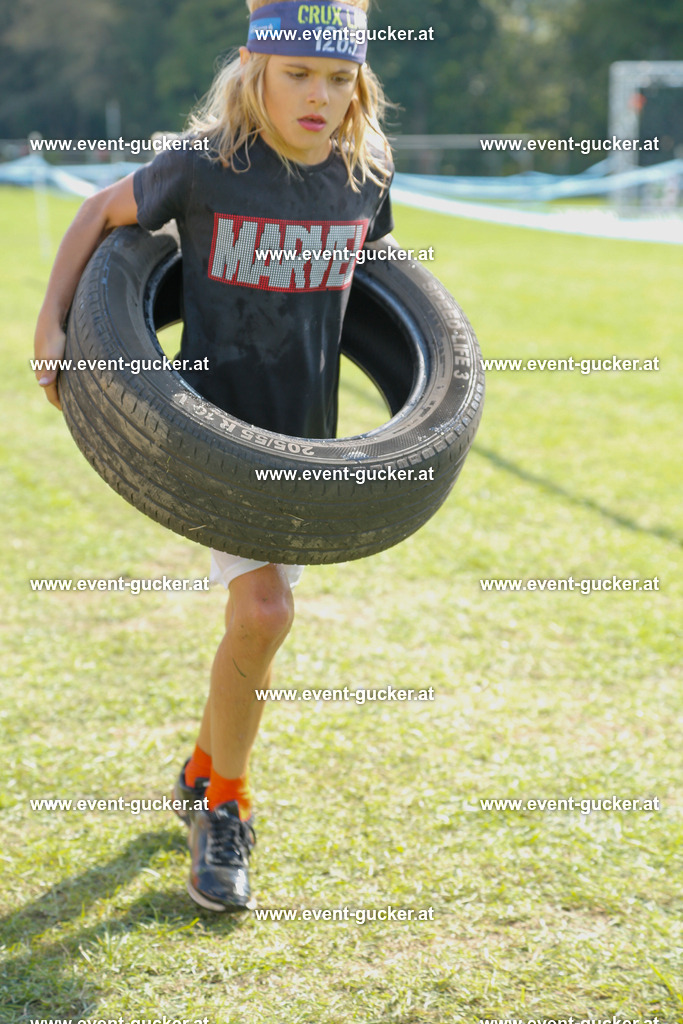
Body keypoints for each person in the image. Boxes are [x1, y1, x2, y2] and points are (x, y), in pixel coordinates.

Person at [33, 0, 395, 912]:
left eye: (338, 79)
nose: (319, 97)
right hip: (210, 432)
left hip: (301, 441)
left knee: (257, 632)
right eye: (298, 75)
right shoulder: (204, 169)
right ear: (254, 70)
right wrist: (51, 323)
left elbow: (386, 297)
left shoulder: (365, 174)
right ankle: (225, 809)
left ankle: (202, 768)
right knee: (265, 613)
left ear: (359, 85)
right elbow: (97, 212)